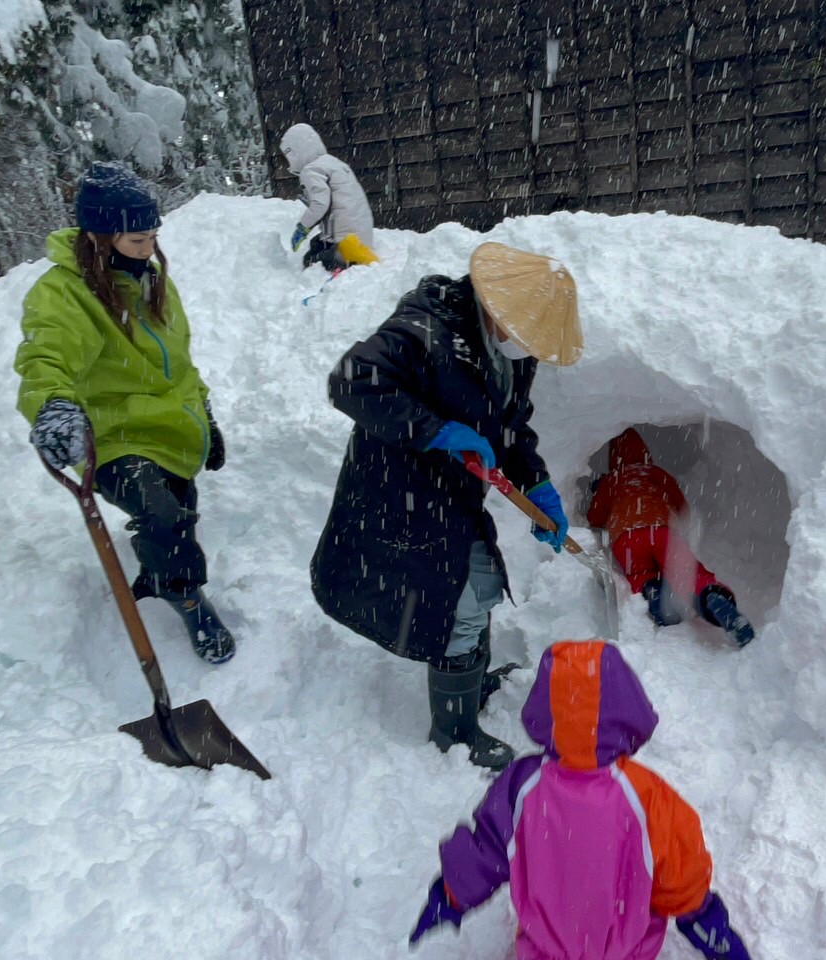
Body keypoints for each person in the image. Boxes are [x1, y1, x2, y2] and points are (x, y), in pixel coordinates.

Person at [310, 242, 582, 770]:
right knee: (460, 597)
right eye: (525, 333)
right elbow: (352, 381)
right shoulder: (427, 327)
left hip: (452, 496)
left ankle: (468, 685)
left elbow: (510, 427)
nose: (528, 348)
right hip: (400, 492)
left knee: (475, 587)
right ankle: (453, 732)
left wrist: (538, 483)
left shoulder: (508, 353)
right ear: (500, 310)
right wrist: (435, 431)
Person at [408, 639, 754, 960]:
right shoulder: (646, 795)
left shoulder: (521, 787)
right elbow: (679, 866)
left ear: (544, 712)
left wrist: (451, 894)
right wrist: (703, 917)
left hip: (544, 950)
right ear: (628, 711)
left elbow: (485, 850)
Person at [14, 162, 235, 665]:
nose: (149, 248)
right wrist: (52, 405)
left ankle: (157, 573)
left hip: (172, 425)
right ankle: (185, 595)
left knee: (179, 514)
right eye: (137, 239)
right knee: (161, 515)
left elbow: (179, 361)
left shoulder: (155, 282)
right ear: (100, 236)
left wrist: (205, 410)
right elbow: (43, 356)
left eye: (153, 236)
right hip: (111, 434)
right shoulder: (63, 294)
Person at [586, 429, 755, 647]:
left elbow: (595, 518)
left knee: (640, 574)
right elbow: (679, 503)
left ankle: (654, 594)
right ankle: (713, 599)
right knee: (691, 574)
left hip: (626, 539)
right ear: (645, 453)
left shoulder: (611, 480)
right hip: (661, 531)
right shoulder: (656, 473)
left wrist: (602, 490)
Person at [280, 122, 376, 272]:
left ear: (295, 152)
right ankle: (346, 256)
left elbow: (320, 204)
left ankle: (342, 263)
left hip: (346, 243)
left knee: (310, 260)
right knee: (316, 243)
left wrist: (302, 228)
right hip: (362, 237)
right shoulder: (334, 163)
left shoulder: (311, 170)